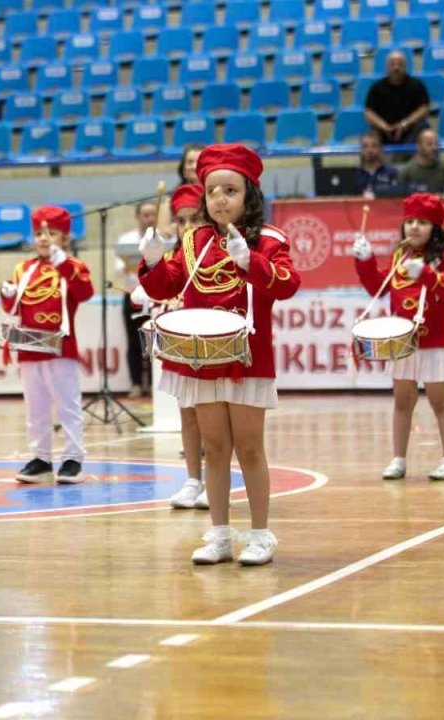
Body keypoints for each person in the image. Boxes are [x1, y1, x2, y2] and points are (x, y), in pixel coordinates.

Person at [139, 144, 302, 565]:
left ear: (249, 195)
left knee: (249, 448)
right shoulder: (194, 241)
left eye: (230, 190)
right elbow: (165, 287)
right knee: (214, 447)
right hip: (204, 359)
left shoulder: (269, 240)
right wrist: (153, 263)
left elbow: (287, 284)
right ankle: (220, 534)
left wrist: (253, 264)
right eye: (212, 192)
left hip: (248, 358)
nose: (220, 200)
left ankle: (261, 534)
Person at [351, 193, 444, 481]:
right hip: (403, 341)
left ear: (435, 227)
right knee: (402, 401)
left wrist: (426, 273)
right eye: (410, 221)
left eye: (422, 222)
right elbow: (378, 285)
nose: (414, 227)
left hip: (434, 341)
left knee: (440, 400)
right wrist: (364, 261)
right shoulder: (400, 253)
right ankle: (398, 459)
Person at [1, 206, 94, 484]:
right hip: (30, 348)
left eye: (51, 233)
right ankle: (41, 457)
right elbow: (17, 306)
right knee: (35, 406)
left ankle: (73, 458)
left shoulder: (74, 266)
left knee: (67, 405)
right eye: (39, 233)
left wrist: (63, 264)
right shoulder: (24, 269)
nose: (43, 238)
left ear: (65, 238)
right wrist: (6, 296)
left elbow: (85, 293)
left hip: (60, 346)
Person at [152, 183, 211, 511]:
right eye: (181, 220)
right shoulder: (174, 256)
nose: (187, 226)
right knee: (187, 414)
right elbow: (163, 289)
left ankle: (217, 480)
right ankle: (193, 479)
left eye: (194, 219)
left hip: (210, 343)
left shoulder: (215, 252)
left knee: (214, 419)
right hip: (182, 344)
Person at [115, 201, 157, 397]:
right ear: (137, 217)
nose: (149, 219)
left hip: (156, 298)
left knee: (154, 341)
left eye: (152, 215)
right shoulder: (126, 239)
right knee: (133, 341)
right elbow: (118, 268)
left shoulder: (163, 239)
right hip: (132, 295)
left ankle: (154, 384)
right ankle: (136, 383)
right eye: (145, 215)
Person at [364, 51, 431, 147]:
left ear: (405, 66)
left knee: (424, 128)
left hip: (410, 130)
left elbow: (424, 109)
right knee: (371, 134)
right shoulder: (376, 88)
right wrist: (384, 126)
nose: (396, 68)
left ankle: (401, 157)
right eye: (392, 64)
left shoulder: (417, 85)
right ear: (386, 67)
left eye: (400, 64)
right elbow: (368, 112)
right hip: (385, 131)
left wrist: (404, 124)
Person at [400, 129, 444, 195]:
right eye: (429, 144)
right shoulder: (407, 171)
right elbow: (397, 199)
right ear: (419, 147)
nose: (434, 148)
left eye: (436, 144)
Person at [357, 129, 402, 199]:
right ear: (361, 149)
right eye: (365, 146)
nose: (369, 150)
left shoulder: (391, 172)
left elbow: (396, 198)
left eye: (374, 146)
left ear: (380, 148)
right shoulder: (355, 174)